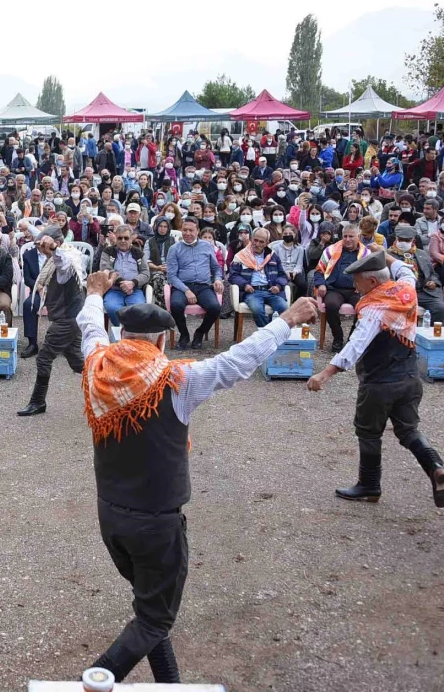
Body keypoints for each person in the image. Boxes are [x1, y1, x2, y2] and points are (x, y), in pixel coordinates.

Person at [77, 269, 318, 683]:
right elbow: (238, 361)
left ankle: (170, 683)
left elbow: (88, 325)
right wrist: (288, 320)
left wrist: (95, 293)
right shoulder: (178, 379)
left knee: (150, 607)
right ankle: (95, 681)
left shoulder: (98, 363)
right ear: (161, 341)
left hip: (110, 515)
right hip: (156, 522)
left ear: (122, 334)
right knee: (154, 619)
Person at [308, 252, 444, 508]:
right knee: (408, 430)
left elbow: (355, 346)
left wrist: (324, 374)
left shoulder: (374, 309)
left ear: (373, 283)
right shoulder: (406, 289)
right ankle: (435, 466)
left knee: (369, 433)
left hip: (379, 383)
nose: (354, 287)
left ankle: (370, 484)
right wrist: (381, 253)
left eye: (358, 282)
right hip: (409, 378)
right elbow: (405, 268)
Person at [17, 226, 87, 416]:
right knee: (78, 363)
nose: (39, 248)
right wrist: (27, 226)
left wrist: (54, 250)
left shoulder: (64, 261)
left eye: (42, 245)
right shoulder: (65, 253)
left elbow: (61, 261)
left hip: (67, 319)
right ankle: (111, 385)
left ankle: (38, 401)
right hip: (70, 317)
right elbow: (47, 236)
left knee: (44, 358)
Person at [165, 218, 224, 350]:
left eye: (191, 230)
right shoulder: (174, 249)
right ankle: (184, 335)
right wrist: (186, 290)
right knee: (176, 305)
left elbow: (216, 268)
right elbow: (171, 276)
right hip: (182, 286)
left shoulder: (207, 246)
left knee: (215, 308)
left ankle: (199, 333)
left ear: (197, 231)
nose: (187, 233)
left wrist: (218, 279)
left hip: (203, 286)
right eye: (184, 230)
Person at [312, 223, 371, 352]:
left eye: (351, 236)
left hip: (357, 291)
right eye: (345, 236)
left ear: (358, 236)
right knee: (331, 305)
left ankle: (352, 339)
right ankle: (338, 337)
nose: (348, 239)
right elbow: (318, 271)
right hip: (334, 289)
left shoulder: (366, 253)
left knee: (365, 308)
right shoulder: (331, 250)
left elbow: (372, 275)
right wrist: (321, 284)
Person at [228, 227, 289, 328]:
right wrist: (245, 285)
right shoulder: (241, 255)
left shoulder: (273, 256)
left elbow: (282, 275)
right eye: (255, 240)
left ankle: (272, 332)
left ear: (267, 243)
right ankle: (267, 333)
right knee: (257, 309)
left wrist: (278, 286)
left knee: (283, 307)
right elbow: (233, 275)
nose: (257, 244)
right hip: (252, 292)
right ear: (251, 239)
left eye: (261, 242)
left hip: (271, 290)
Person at [387, 225, 444, 324]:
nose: (404, 242)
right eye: (401, 239)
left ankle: (431, 336)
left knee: (439, 307)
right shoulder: (387, 255)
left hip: (422, 291)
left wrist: (434, 282)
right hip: (399, 292)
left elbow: (432, 273)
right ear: (396, 238)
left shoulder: (422, 254)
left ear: (413, 240)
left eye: (407, 240)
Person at [97, 225, 151, 332]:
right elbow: (105, 269)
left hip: (134, 290)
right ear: (115, 238)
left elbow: (146, 273)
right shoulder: (108, 251)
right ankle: (118, 332)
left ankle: (131, 333)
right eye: (119, 238)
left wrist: (133, 283)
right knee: (112, 308)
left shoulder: (138, 253)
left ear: (131, 239)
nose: (123, 241)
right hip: (114, 290)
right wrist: (122, 283)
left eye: (126, 238)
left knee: (138, 309)